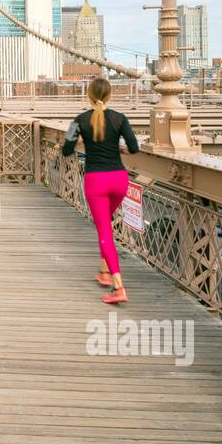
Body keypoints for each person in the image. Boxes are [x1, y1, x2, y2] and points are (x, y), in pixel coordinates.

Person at [61, 76, 140, 305]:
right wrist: (117, 147)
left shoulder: (78, 120)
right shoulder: (120, 118)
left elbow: (66, 150)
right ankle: (104, 271)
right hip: (119, 179)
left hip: (96, 181)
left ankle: (119, 287)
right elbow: (134, 147)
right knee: (105, 224)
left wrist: (83, 143)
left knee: (104, 230)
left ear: (89, 95)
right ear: (110, 95)